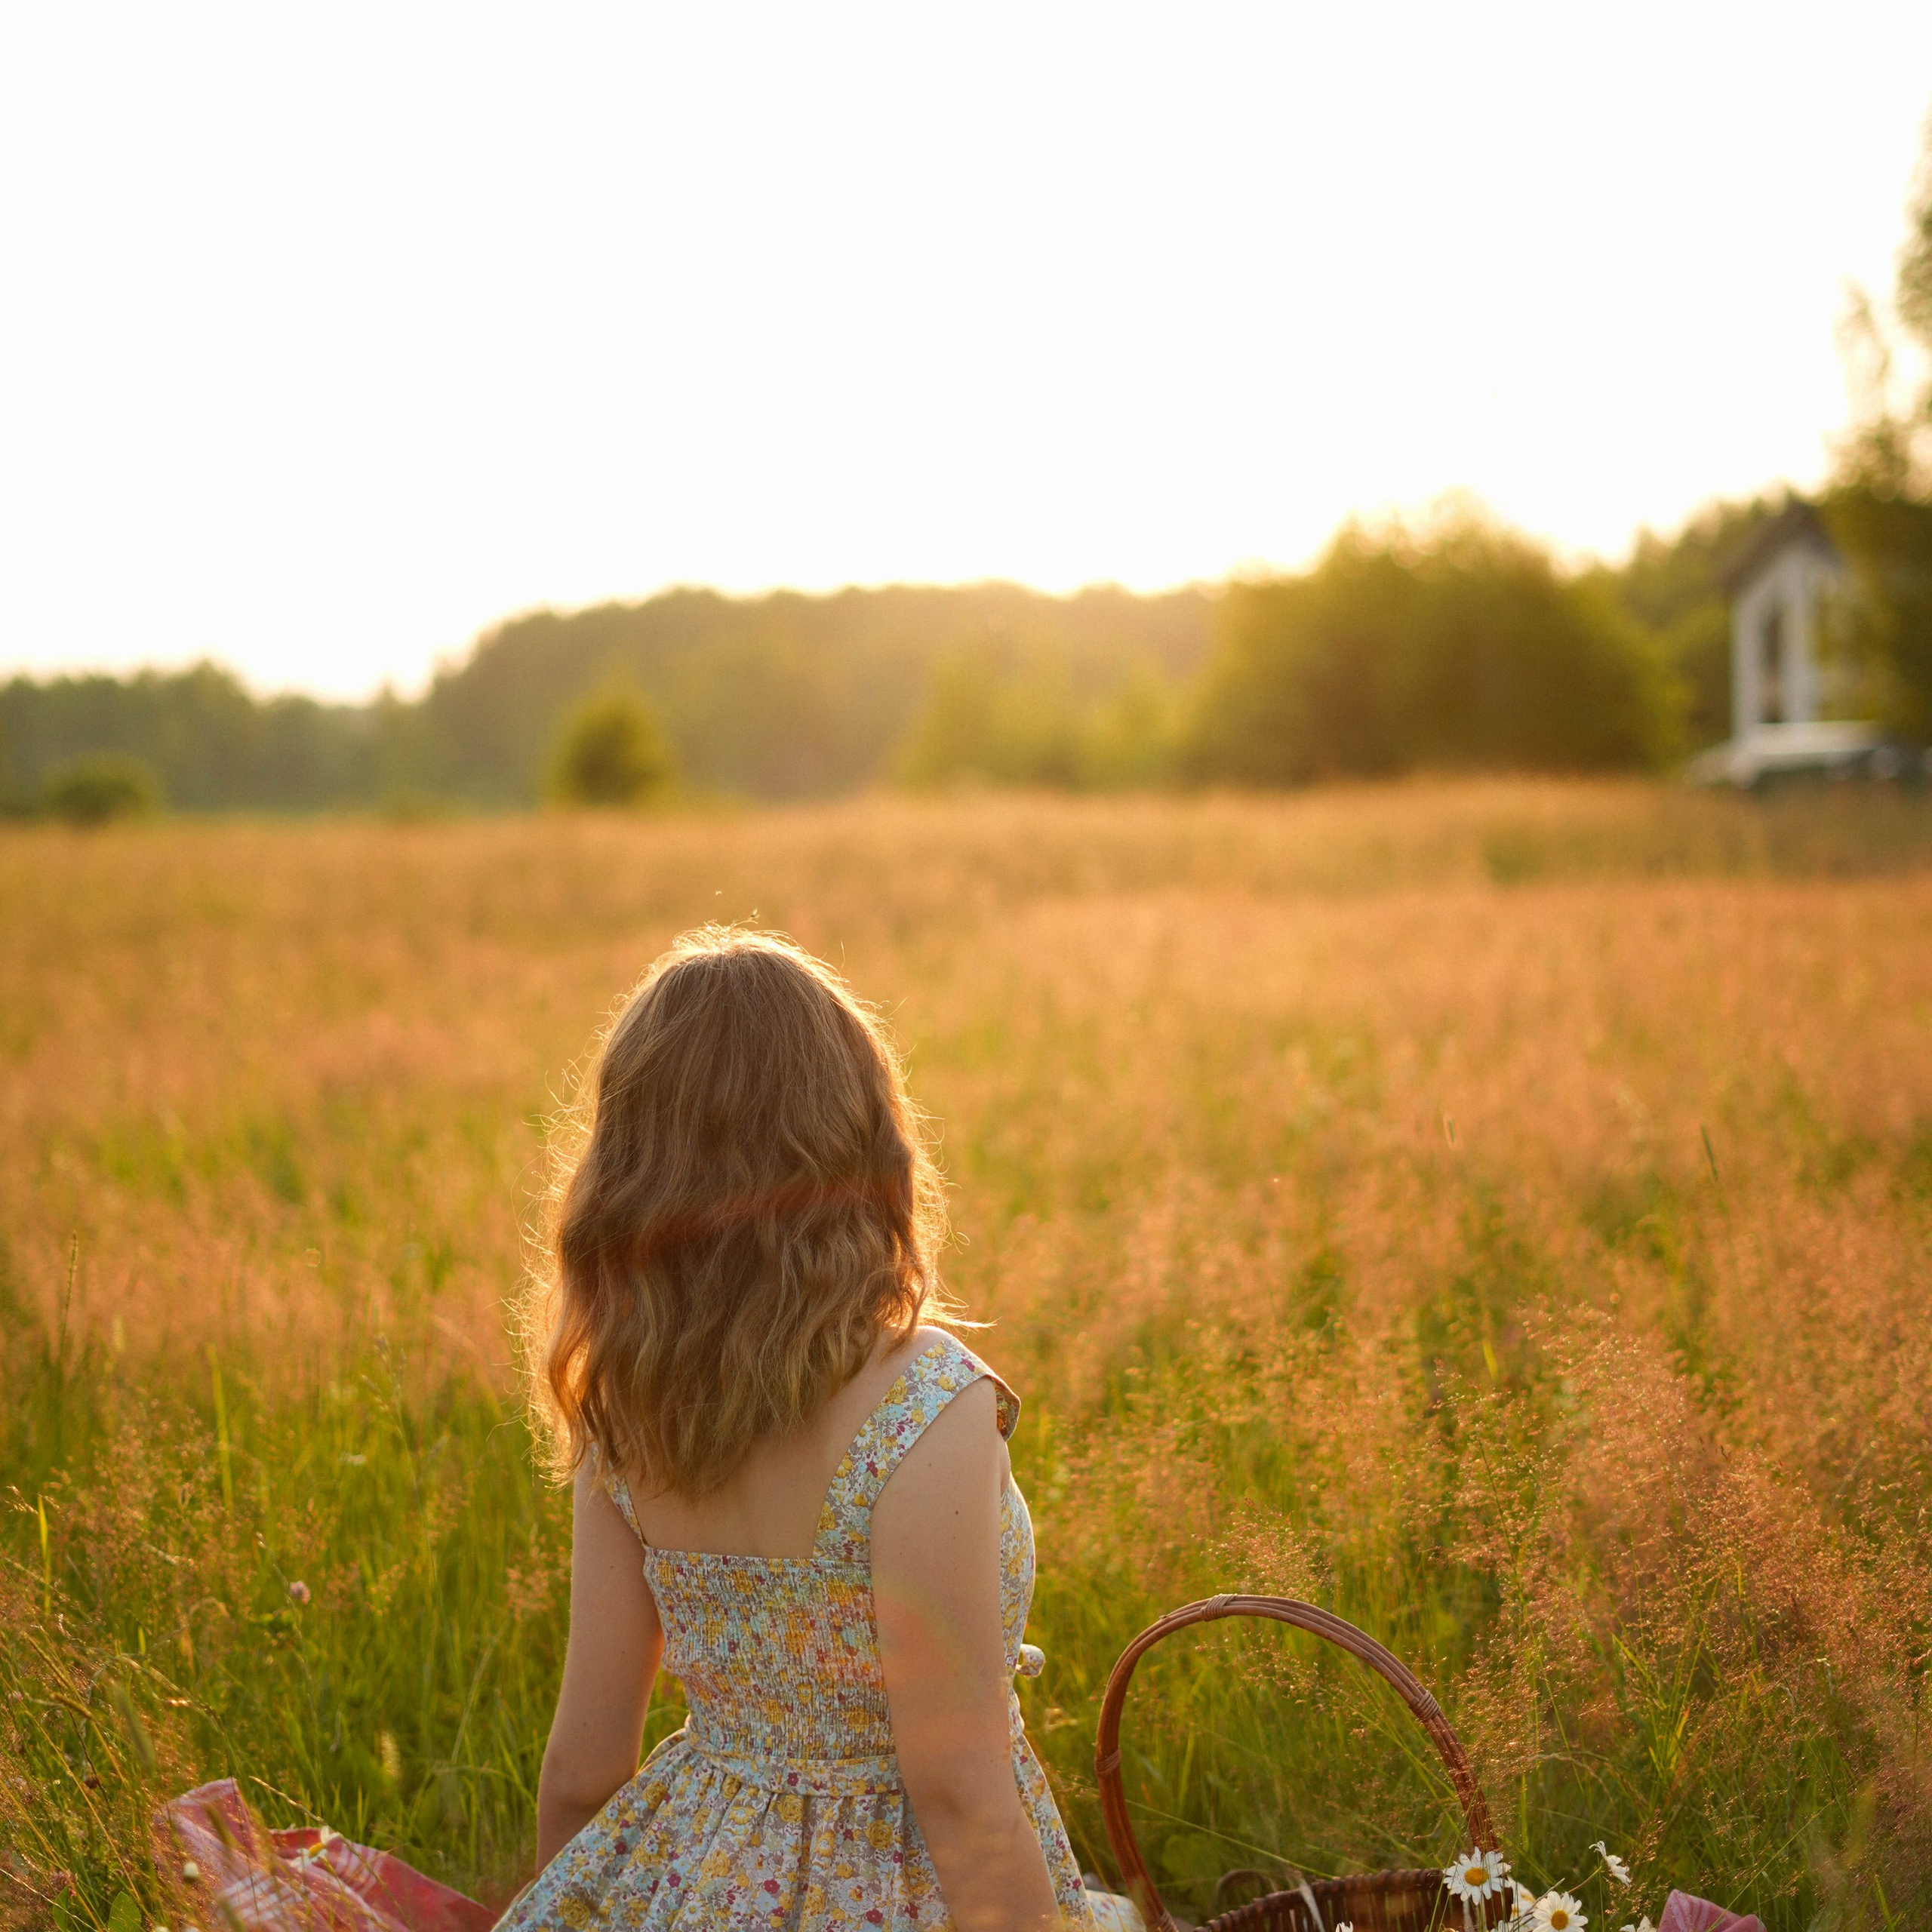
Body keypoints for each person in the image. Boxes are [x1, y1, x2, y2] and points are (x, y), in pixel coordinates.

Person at [501, 928, 1094, 1932]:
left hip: (693, 1880)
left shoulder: (631, 1405)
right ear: (860, 1140)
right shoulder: (928, 1405)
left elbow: (586, 1766)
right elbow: (954, 1788)